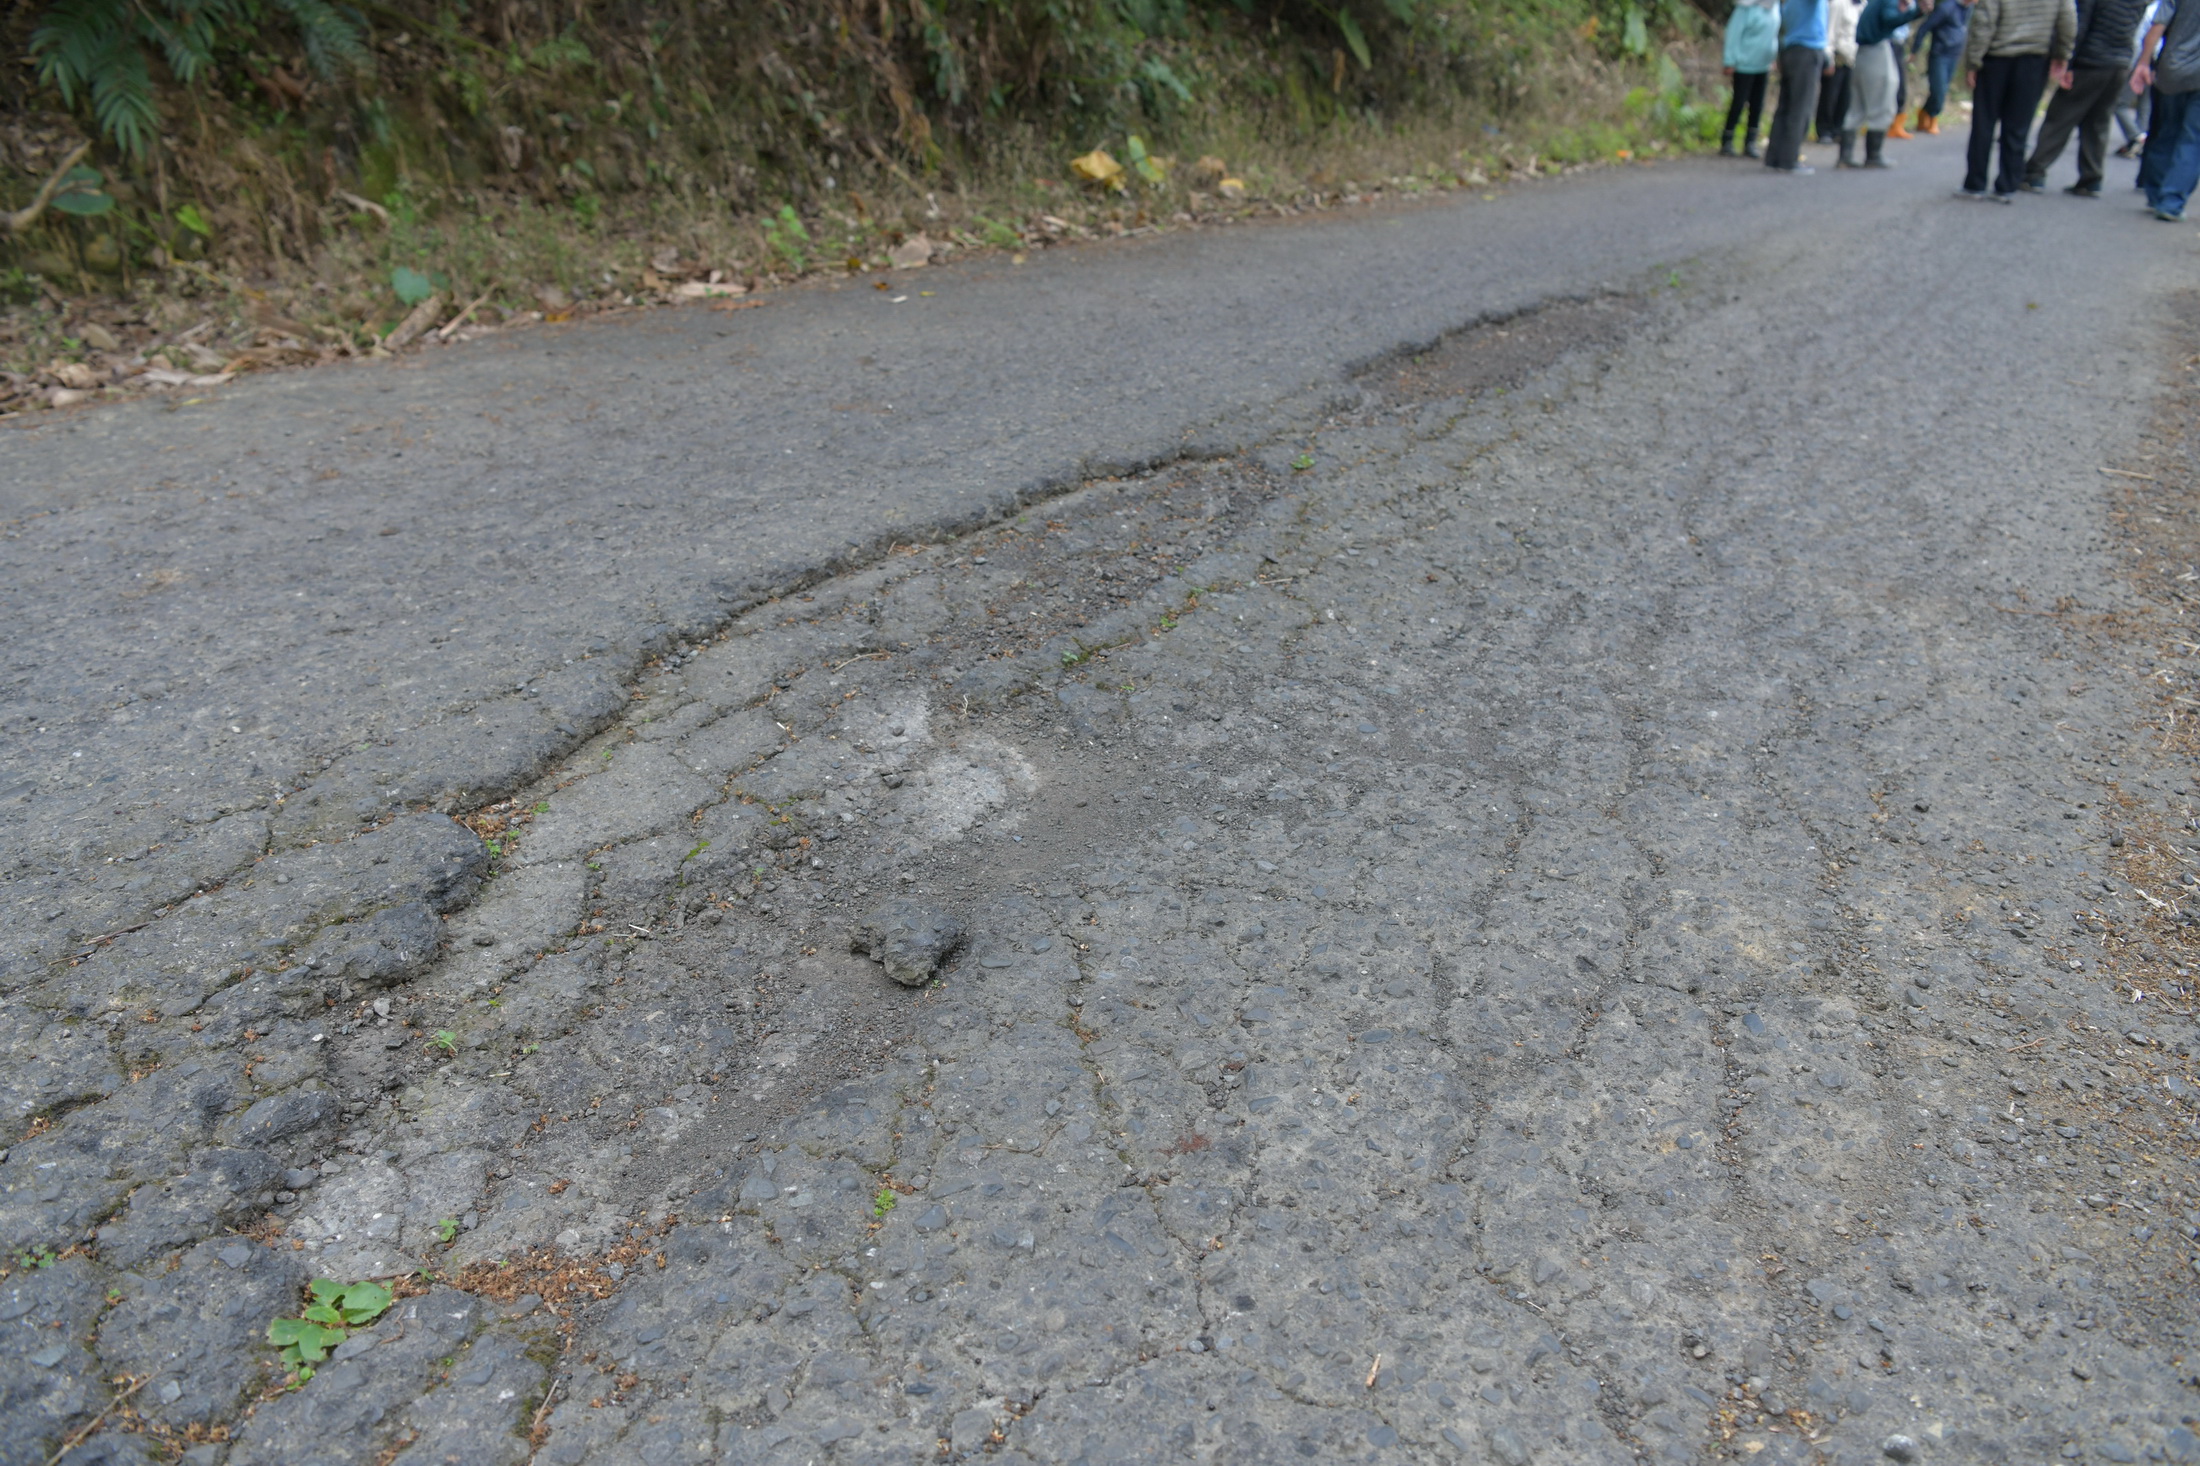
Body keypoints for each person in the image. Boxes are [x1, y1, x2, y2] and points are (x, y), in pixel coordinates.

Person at [2022, 0, 2153, 194]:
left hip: (2090, 60)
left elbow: (2080, 25)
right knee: (2098, 122)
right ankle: (2092, 177)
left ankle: (2034, 172)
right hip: (2120, 63)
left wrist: (2070, 62)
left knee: (2060, 117)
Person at [1959, 0, 2078, 200]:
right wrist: (2062, 54)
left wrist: (1973, 61)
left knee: (1984, 123)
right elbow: (2068, 20)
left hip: (1995, 59)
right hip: (2034, 60)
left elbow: (1984, 21)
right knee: (2018, 126)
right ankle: (2007, 185)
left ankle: (1975, 183)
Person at [1847, 0, 1934, 165]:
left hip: (1864, 51)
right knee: (1883, 103)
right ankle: (1873, 156)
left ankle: (1846, 156)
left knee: (1857, 106)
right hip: (1876, 48)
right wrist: (1915, 12)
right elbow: (1889, 19)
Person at [2134, 0, 2200, 217]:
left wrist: (2144, 62)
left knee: (2166, 131)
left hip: (2173, 70)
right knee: (2193, 140)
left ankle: (2155, 193)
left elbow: (2157, 25)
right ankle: (2171, 203)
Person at [1769, 0, 1832, 170]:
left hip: (1790, 50)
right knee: (1801, 108)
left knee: (1785, 106)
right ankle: (1789, 159)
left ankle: (1774, 157)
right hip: (1807, 50)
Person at [1725, 0, 1783, 155]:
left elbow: (1772, 35)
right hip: (1744, 64)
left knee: (1757, 104)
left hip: (1763, 65)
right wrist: (1730, 60)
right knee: (1739, 102)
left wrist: (1772, 58)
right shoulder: (1746, 8)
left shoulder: (1774, 7)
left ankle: (1750, 142)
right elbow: (1733, 33)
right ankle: (1727, 139)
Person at [1911, 0, 1973, 131]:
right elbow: (1925, 27)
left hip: (1954, 55)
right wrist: (1914, 50)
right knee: (1939, 90)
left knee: (1943, 89)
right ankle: (1931, 116)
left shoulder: (1969, 9)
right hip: (1940, 54)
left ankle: (1927, 115)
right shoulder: (1946, 8)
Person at [1820, 0, 1866, 138]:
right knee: (1829, 96)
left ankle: (1838, 129)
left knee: (1846, 97)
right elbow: (1830, 32)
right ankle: (1824, 130)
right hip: (1838, 56)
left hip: (1852, 57)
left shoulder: (1862, 5)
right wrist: (1829, 58)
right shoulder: (1838, 4)